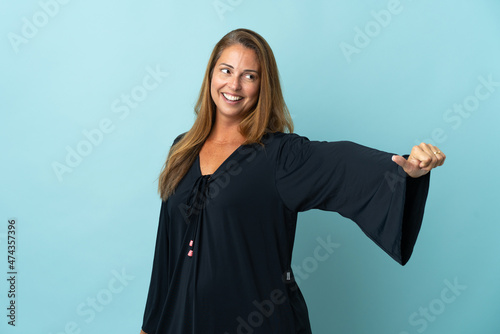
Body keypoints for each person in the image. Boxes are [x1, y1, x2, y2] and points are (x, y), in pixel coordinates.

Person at [139, 28, 445, 334]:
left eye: (249, 76)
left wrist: (405, 171)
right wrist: (149, 326)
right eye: (226, 70)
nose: (234, 84)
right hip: (183, 322)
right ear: (211, 75)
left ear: (262, 86)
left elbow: (341, 162)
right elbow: (166, 250)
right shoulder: (183, 149)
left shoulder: (279, 156)